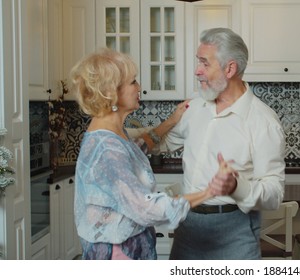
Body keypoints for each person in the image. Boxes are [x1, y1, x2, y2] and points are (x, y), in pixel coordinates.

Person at [142, 27, 286, 259]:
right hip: (187, 227)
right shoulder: (194, 108)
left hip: (235, 232)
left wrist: (235, 187)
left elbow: (274, 193)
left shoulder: (263, 122)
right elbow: (159, 142)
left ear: (230, 69)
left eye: (204, 63)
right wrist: (117, 133)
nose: (197, 71)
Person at [69, 48, 226, 260]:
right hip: (118, 254)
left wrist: (171, 120)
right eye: (133, 82)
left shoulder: (110, 132)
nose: (139, 87)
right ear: (110, 91)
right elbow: (148, 209)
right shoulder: (107, 151)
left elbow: (135, 149)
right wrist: (209, 192)